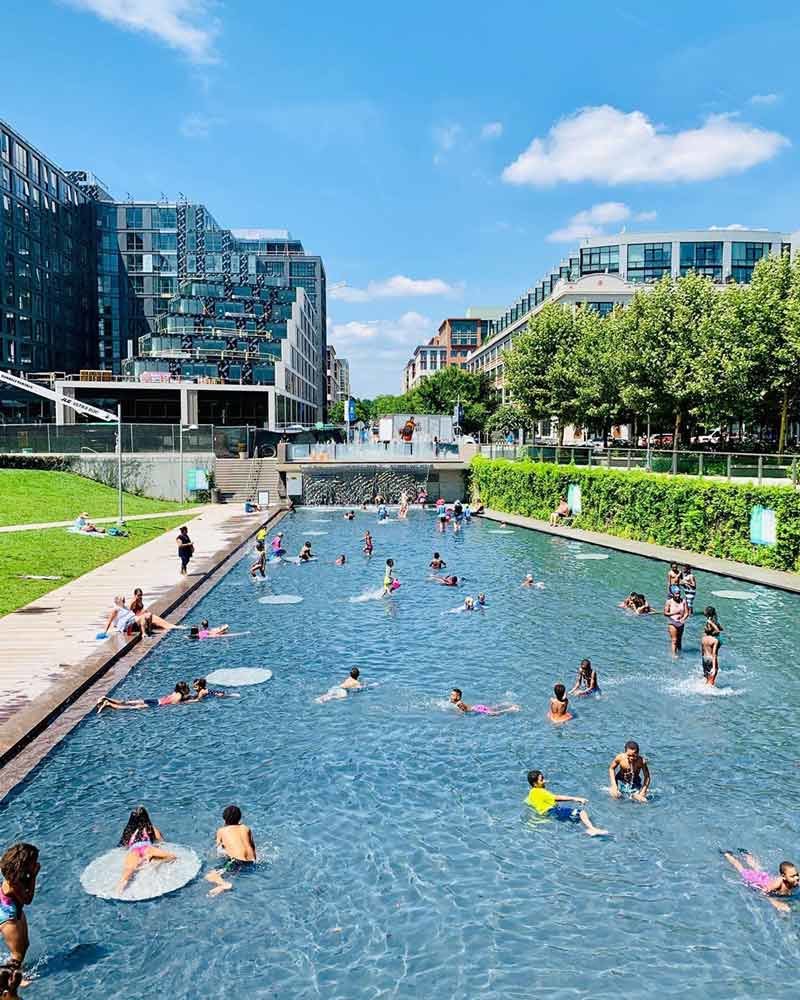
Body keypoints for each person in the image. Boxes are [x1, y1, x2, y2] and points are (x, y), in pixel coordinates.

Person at [525, 771, 608, 837]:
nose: (545, 781)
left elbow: (528, 803)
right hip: (553, 811)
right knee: (581, 813)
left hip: (545, 815)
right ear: (535, 784)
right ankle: (592, 829)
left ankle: (584, 831)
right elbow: (557, 797)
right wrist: (576, 799)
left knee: (574, 819)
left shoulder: (531, 793)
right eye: (541, 779)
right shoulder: (541, 791)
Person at [0, 843, 39, 979]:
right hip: (8, 917)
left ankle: (15, 971)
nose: (37, 864)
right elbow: (28, 899)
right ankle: (11, 979)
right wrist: (34, 876)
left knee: (24, 945)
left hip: (14, 910)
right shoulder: (14, 883)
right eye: (34, 862)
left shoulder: (16, 876)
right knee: (17, 953)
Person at [117, 806, 176, 892]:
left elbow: (123, 846)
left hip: (134, 850)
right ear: (146, 817)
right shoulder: (150, 828)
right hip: (147, 849)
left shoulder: (128, 831)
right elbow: (161, 841)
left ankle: (119, 890)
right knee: (172, 857)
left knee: (128, 871)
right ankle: (153, 861)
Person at [722, 850, 800, 913]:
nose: (796, 878)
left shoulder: (796, 881)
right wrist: (775, 903)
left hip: (766, 879)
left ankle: (747, 855)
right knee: (742, 869)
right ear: (783, 876)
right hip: (756, 881)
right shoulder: (778, 883)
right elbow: (763, 893)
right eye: (792, 876)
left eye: (797, 874)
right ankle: (728, 855)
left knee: (758, 869)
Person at [205, 805, 257, 897]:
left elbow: (218, 848)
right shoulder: (246, 828)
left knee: (209, 875)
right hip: (251, 861)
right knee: (234, 870)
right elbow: (252, 847)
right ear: (240, 818)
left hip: (237, 861)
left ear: (224, 819)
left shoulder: (221, 830)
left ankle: (224, 884)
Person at [96, 681, 192, 713]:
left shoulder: (175, 692)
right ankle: (108, 704)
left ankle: (106, 698)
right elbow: (174, 704)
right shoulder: (179, 696)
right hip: (157, 705)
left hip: (155, 700)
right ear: (183, 689)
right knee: (130, 708)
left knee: (127, 702)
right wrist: (186, 702)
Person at [449, 688, 519, 716]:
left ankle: (511, 709)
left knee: (493, 714)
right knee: (492, 708)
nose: (451, 696)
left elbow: (463, 711)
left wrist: (457, 715)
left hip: (477, 709)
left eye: (453, 695)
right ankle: (504, 704)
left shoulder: (459, 703)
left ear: (458, 697)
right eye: (451, 694)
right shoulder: (457, 702)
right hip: (477, 707)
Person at [664, 585, 689, 653]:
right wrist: (674, 613)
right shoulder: (669, 602)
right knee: (674, 640)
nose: (678, 595)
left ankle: (680, 654)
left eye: (679, 593)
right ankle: (674, 655)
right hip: (672, 623)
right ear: (672, 594)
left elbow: (687, 613)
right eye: (676, 594)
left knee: (679, 640)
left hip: (681, 623)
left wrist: (683, 618)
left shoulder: (684, 601)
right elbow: (665, 613)